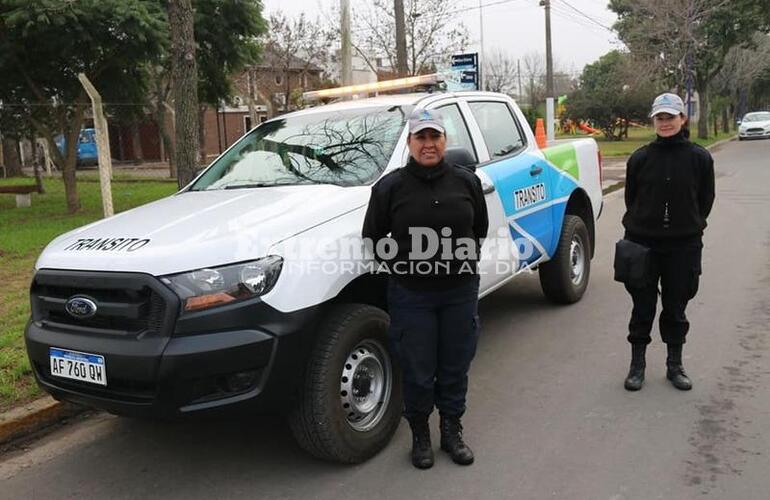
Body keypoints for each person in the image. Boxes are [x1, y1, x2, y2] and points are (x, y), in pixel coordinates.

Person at [362, 108, 489, 469]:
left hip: (459, 291)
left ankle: (451, 431)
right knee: (417, 368)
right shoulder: (390, 188)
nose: (428, 144)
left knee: (455, 364)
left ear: (445, 142)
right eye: (421, 138)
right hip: (411, 295)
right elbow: (373, 237)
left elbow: (478, 227)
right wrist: (402, 267)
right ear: (410, 142)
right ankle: (420, 434)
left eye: (435, 137)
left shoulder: (466, 183)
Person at [621, 93, 715, 391]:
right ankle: (637, 365)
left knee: (676, 306)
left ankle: (675, 365)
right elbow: (632, 199)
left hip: (683, 246)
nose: (664, 123)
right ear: (654, 120)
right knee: (642, 307)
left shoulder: (700, 158)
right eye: (659, 118)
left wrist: (688, 225)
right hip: (642, 244)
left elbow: (705, 200)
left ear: (682, 119)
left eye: (670, 117)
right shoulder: (640, 158)